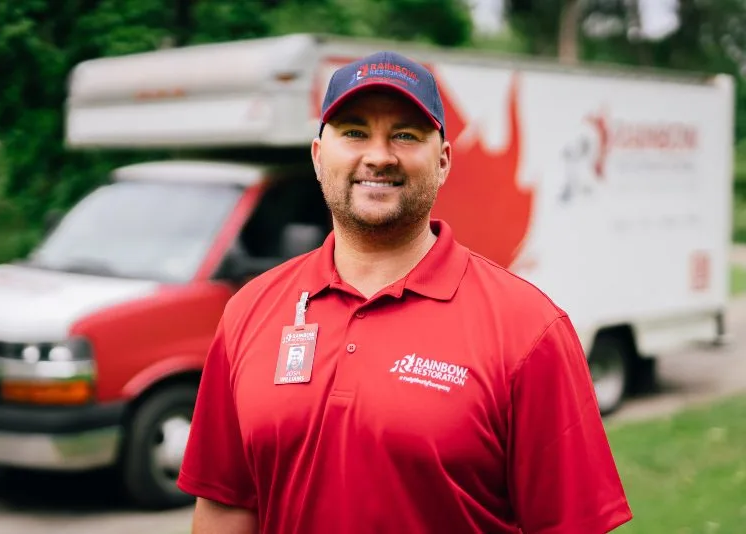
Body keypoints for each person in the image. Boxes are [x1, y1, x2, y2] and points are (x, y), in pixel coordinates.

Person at [177, 50, 633, 534]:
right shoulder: (251, 311)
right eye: (354, 132)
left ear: (442, 161)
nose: (378, 155)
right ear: (316, 156)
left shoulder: (528, 330)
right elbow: (227, 507)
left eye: (405, 134)